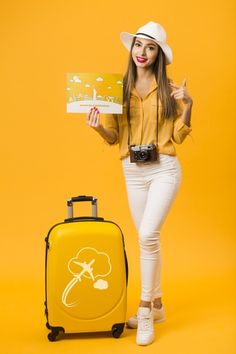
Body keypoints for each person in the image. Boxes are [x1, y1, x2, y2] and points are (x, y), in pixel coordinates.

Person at [86, 21, 193, 346]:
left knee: (147, 235)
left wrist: (188, 105)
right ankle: (159, 304)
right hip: (132, 172)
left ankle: (145, 310)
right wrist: (96, 129)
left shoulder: (170, 89)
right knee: (148, 240)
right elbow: (114, 135)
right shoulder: (115, 89)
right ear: (131, 49)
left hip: (164, 169)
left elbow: (178, 136)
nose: (142, 52)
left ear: (158, 54)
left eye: (150, 47)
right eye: (138, 45)